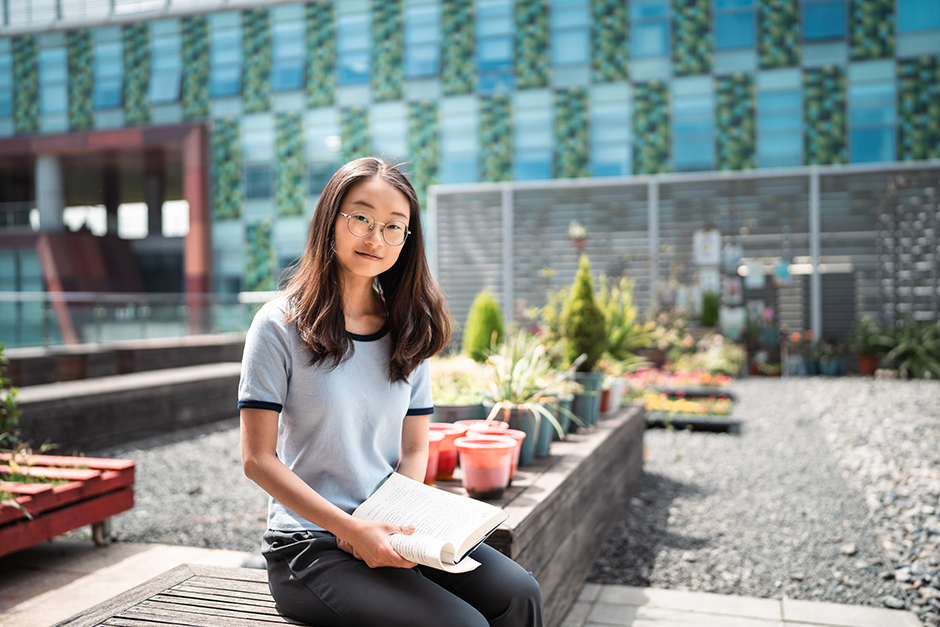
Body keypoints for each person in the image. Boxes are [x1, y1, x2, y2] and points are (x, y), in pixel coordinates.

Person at [238, 157, 544, 627]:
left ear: (407, 239)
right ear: (330, 220)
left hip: (394, 530)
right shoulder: (278, 325)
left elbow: (416, 446)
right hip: (310, 546)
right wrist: (351, 530)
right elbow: (257, 459)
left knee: (519, 594)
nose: (375, 237)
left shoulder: (408, 331)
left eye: (393, 227)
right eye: (361, 218)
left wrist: (400, 522)